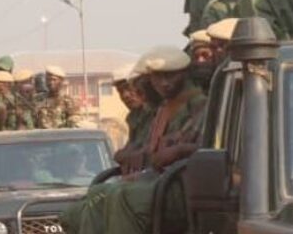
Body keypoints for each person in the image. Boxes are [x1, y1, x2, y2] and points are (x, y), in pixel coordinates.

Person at [60, 46, 207, 234]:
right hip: (159, 180)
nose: (164, 83)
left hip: (182, 186)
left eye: (171, 76)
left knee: (120, 197)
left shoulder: (199, 105)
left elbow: (207, 148)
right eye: (158, 77)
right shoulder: (164, 109)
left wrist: (179, 150)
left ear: (184, 74)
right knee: (83, 206)